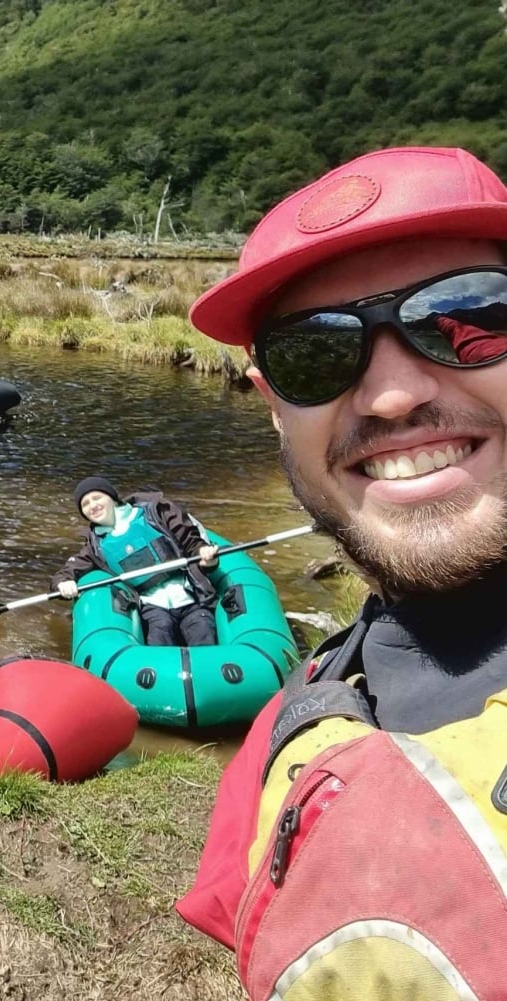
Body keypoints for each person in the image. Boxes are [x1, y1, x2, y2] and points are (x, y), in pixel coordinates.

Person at [177, 146, 507, 1000]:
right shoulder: (276, 751)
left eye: (466, 314)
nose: (392, 394)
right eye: (317, 355)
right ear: (274, 408)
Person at [51, 477, 220, 647]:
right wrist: (63, 583)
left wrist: (205, 555)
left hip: (189, 596)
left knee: (202, 629)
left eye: (97, 498)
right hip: (152, 605)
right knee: (160, 630)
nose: (92, 506)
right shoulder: (95, 546)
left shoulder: (157, 513)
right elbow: (67, 571)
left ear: (112, 497)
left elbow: (193, 544)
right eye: (85, 504)